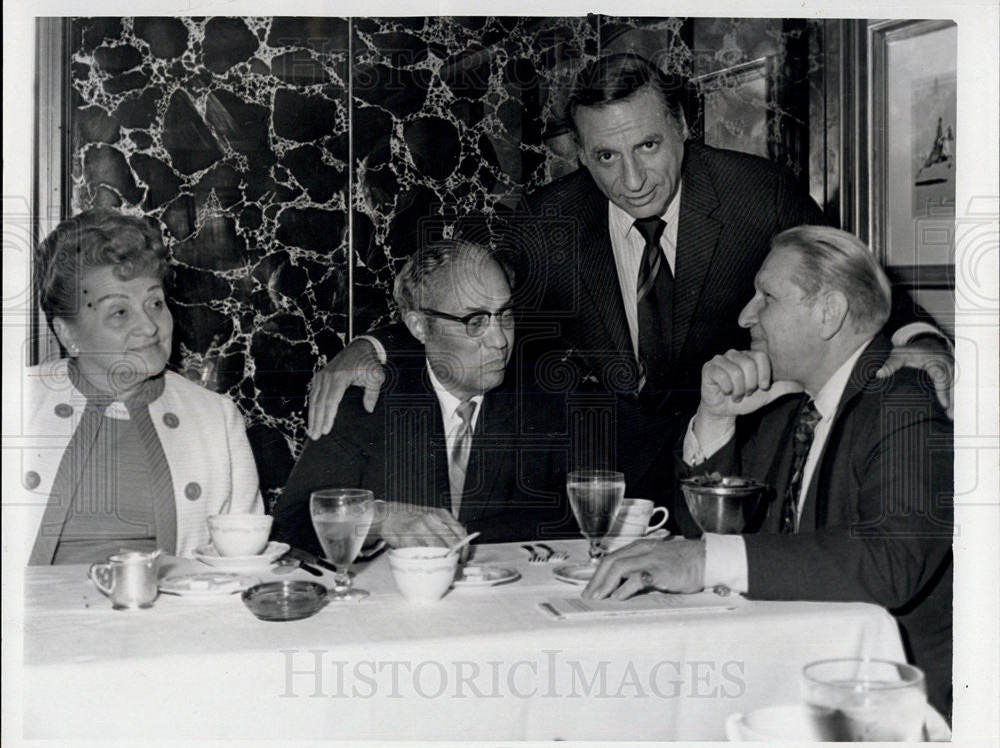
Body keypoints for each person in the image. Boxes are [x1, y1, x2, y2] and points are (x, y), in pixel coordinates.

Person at [304, 53, 953, 518]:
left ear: (681, 127)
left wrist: (919, 336)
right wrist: (373, 346)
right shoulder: (549, 218)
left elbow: (848, 276)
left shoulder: (757, 194)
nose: (633, 179)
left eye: (648, 146)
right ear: (581, 154)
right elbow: (457, 294)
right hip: (608, 482)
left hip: (733, 459)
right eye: (606, 157)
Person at [583, 226, 953, 717]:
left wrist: (701, 562)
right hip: (801, 668)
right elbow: (715, 534)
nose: (745, 314)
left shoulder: (904, 400)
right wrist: (716, 418)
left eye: (767, 297)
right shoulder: (790, 409)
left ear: (828, 313)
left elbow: (891, 562)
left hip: (898, 701)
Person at [273, 240, 578, 554]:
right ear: (419, 326)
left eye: (505, 315)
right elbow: (293, 524)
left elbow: (585, 517)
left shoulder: (548, 400)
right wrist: (378, 519)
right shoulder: (367, 401)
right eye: (475, 322)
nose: (500, 340)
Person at [22, 208, 264, 564]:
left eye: (154, 303)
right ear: (68, 334)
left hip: (167, 617)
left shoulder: (216, 419)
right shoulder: (15, 402)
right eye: (119, 312)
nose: (150, 327)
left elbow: (242, 563)